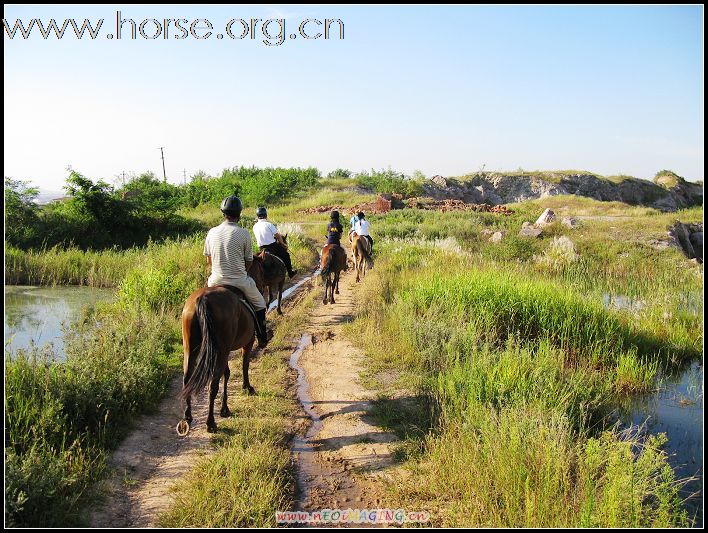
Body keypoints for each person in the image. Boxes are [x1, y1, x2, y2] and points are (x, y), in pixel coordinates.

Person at [203, 196, 270, 347]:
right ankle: (262, 337)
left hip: (215, 281)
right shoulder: (244, 233)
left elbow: (209, 261)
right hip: (239, 281)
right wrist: (242, 272)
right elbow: (249, 261)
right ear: (239, 213)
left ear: (223, 213)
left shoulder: (212, 232)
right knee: (260, 304)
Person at [253, 206, 297, 278]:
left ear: (257, 216)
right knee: (286, 255)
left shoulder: (255, 226)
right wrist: (283, 244)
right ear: (265, 215)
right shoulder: (269, 224)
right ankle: (290, 273)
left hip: (261, 248)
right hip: (272, 246)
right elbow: (278, 236)